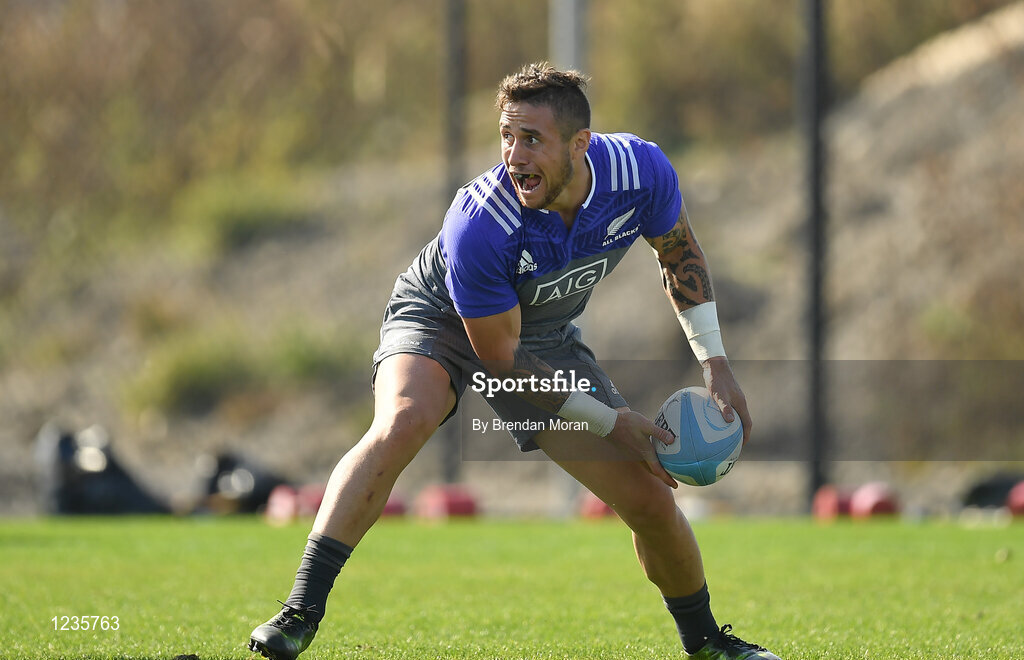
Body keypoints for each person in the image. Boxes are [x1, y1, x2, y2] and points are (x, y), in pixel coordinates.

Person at [248, 62, 779, 660]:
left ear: (579, 145)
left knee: (652, 500)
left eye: (532, 139)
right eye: (506, 135)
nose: (514, 155)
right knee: (402, 419)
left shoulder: (640, 172)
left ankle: (707, 643)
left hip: (543, 334)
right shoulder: (480, 222)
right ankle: (298, 613)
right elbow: (499, 361)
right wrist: (612, 421)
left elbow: (678, 251)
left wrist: (716, 363)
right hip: (441, 317)